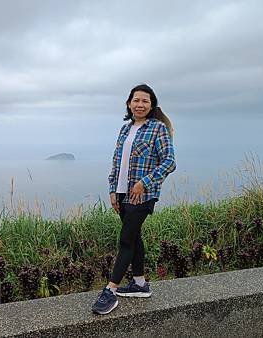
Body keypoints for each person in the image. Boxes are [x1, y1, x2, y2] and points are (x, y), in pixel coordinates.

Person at [92, 84, 176, 315]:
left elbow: (169, 162)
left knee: (126, 241)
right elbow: (116, 163)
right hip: (121, 194)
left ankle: (110, 290)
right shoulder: (124, 130)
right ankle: (139, 284)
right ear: (129, 103)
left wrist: (144, 183)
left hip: (143, 195)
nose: (140, 104)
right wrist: (112, 190)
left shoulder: (158, 129)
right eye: (136, 100)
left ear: (152, 105)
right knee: (135, 238)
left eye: (145, 101)